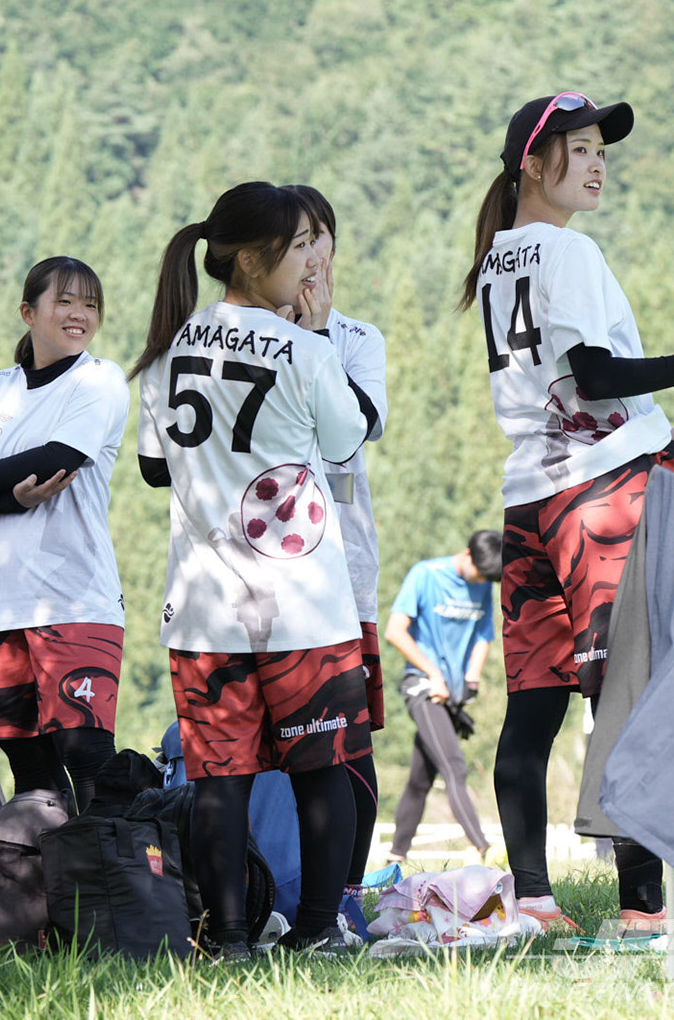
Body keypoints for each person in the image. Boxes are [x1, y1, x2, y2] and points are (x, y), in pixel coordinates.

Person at [460, 93, 674, 931]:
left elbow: (565, 391)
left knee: (535, 703)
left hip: (531, 499)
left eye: (601, 150)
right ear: (533, 163)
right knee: (627, 693)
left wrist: (657, 429)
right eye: (580, 148)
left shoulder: (496, 259)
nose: (597, 164)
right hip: (597, 502)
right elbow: (593, 375)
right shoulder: (570, 250)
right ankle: (641, 909)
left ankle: (533, 900)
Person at [133, 181, 372, 961]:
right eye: (296, 246)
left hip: (204, 607)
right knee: (320, 770)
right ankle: (316, 930)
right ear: (249, 259)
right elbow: (344, 445)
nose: (310, 261)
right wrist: (316, 336)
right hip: (302, 600)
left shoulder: (169, 347)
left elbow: (154, 468)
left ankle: (228, 937)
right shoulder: (308, 349)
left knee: (219, 779)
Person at [0, 257, 130, 812]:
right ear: (28, 312)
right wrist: (13, 498)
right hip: (0, 604)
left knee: (86, 752)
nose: (79, 315)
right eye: (64, 301)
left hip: (76, 598)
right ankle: (50, 869)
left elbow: (58, 459)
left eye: (90, 304)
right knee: (29, 768)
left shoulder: (99, 379)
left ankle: (111, 868)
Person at [284, 184, 388, 916]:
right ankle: (282, 884)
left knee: (346, 739)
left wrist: (318, 335)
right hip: (263, 572)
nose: (310, 254)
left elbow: (360, 422)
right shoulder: (251, 335)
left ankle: (344, 897)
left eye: (318, 237)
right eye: (295, 242)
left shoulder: (356, 337)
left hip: (341, 567)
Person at [383, 532, 502, 864]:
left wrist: (471, 681)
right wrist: (433, 673)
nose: (482, 581)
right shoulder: (426, 574)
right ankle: (483, 848)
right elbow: (394, 631)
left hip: (451, 695)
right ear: (467, 554)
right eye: (480, 573)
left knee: (420, 778)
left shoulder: (484, 584)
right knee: (454, 767)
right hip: (423, 687)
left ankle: (395, 857)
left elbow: (483, 635)